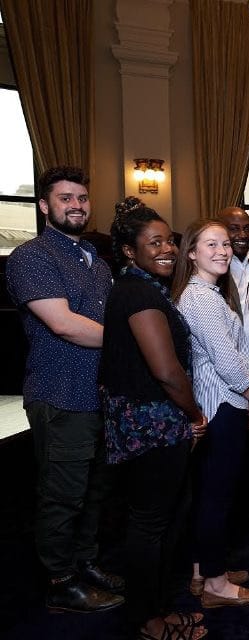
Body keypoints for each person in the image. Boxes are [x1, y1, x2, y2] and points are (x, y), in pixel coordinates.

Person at [5, 166, 124, 613]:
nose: (76, 205)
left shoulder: (93, 258)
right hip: (60, 393)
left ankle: (85, 563)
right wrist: (130, 339)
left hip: (99, 394)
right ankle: (59, 580)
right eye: (65, 198)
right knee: (63, 493)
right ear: (44, 205)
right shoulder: (32, 257)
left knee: (95, 489)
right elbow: (64, 324)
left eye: (82, 198)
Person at [100, 197, 207, 639]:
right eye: (154, 242)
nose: (167, 248)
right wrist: (195, 414)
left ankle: (159, 607)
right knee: (149, 526)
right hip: (152, 428)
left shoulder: (146, 288)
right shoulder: (137, 292)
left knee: (163, 522)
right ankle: (148, 621)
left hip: (155, 425)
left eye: (170, 240)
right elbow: (166, 372)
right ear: (130, 250)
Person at [171, 219, 249, 608]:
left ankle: (203, 570)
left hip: (219, 403)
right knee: (216, 496)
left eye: (226, 244)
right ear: (191, 253)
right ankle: (215, 584)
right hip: (223, 405)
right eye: (210, 244)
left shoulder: (207, 292)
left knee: (208, 493)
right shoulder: (202, 298)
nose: (222, 251)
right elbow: (228, 361)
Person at [217, 206, 249, 357]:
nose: (243, 235)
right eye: (234, 229)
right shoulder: (214, 272)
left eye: (247, 229)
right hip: (233, 359)